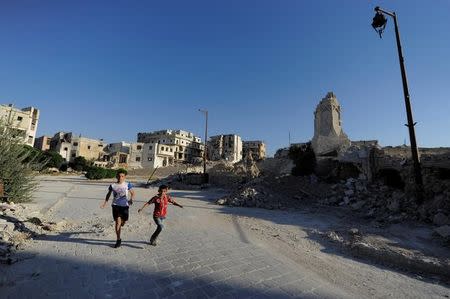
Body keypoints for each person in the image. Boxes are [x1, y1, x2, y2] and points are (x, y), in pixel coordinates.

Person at [100, 169, 135, 248]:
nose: (120, 177)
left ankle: (123, 221)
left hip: (125, 206)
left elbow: (133, 193)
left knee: (125, 219)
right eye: (119, 176)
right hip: (115, 206)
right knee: (117, 222)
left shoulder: (127, 184)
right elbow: (108, 195)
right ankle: (118, 239)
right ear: (116, 176)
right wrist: (105, 203)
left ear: (125, 177)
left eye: (122, 176)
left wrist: (131, 200)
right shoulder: (112, 186)